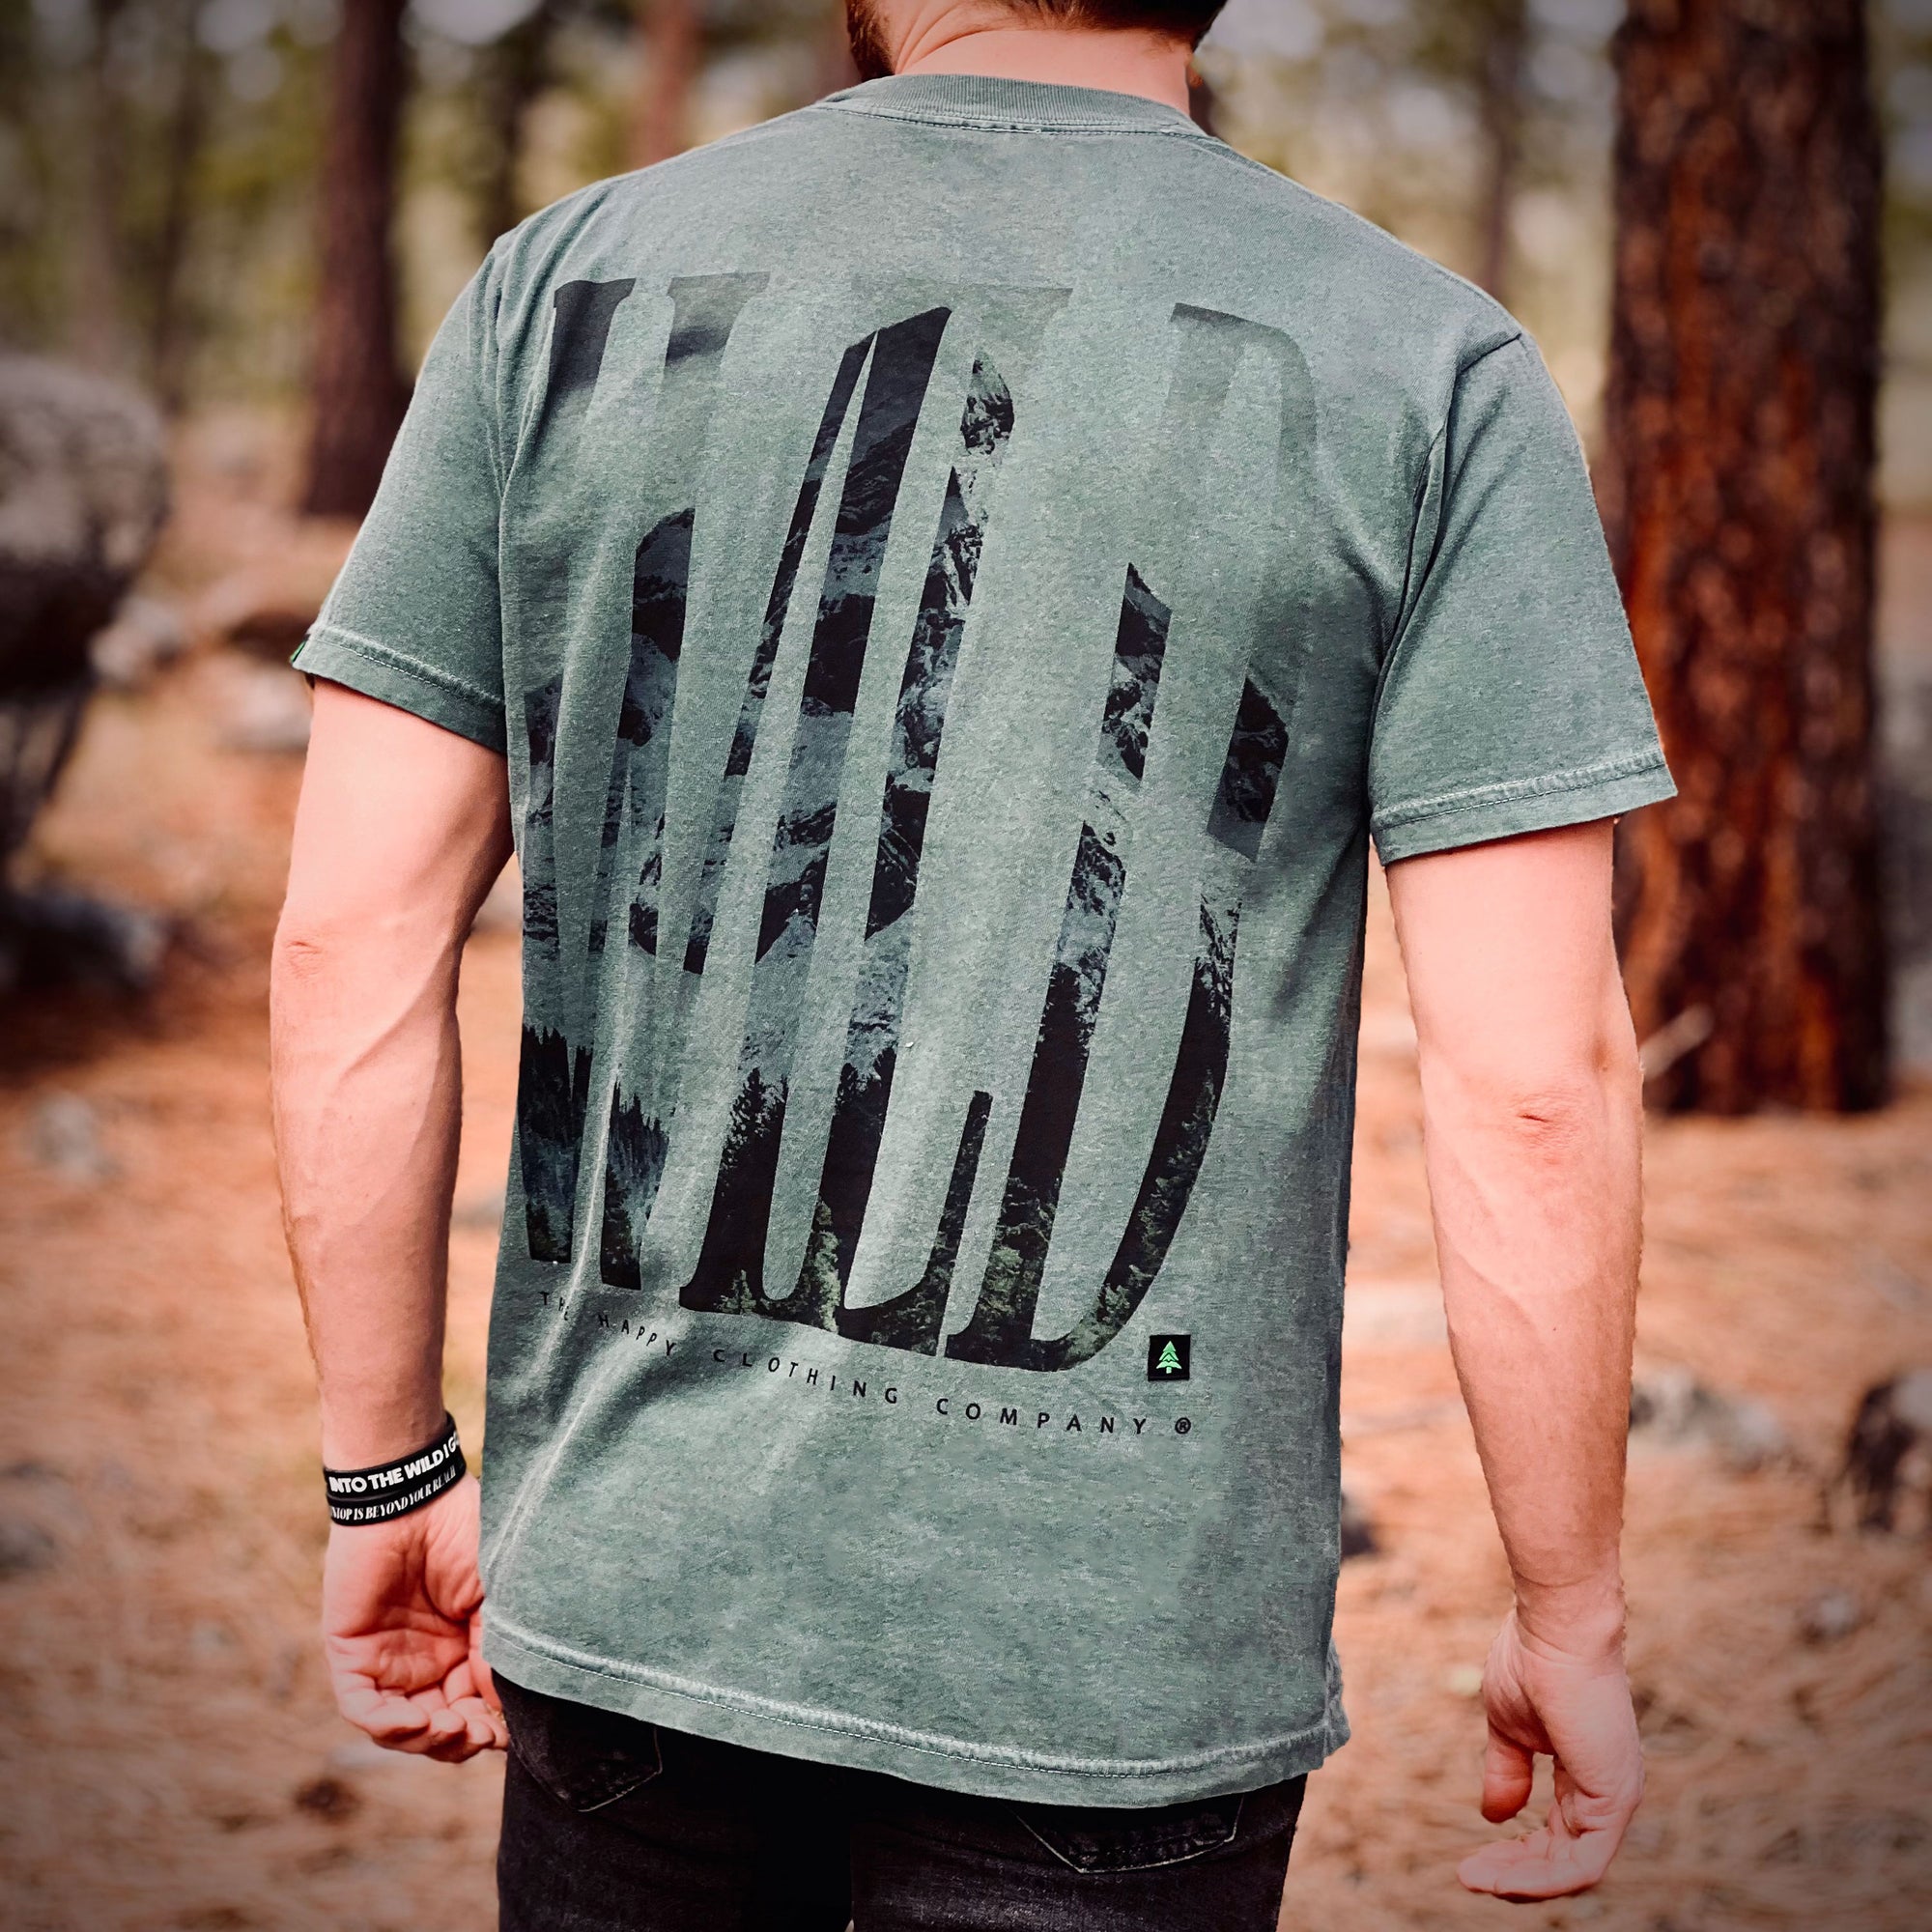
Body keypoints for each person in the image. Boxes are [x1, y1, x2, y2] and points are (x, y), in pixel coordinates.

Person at [270, 2, 1670, 1924]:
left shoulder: (554, 292)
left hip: (639, 1595)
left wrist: (381, 1471)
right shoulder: (1428, 364)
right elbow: (1532, 1084)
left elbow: (349, 937)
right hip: (1117, 1657)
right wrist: (1569, 1604)